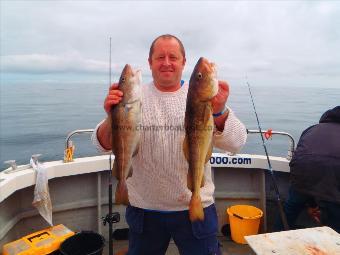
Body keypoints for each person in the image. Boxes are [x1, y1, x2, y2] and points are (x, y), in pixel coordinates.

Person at [92, 34, 247, 255]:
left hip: (194, 206)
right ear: (150, 62)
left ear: (184, 62)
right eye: (160, 57)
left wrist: (220, 112)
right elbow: (101, 145)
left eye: (173, 57)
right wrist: (112, 117)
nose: (166, 63)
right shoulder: (133, 96)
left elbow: (237, 142)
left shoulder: (204, 99)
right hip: (144, 209)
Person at [275, 106, 340, 233]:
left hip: (301, 172)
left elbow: (303, 160)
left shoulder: (311, 129)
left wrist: (312, 204)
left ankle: (275, 238)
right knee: (335, 213)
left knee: (291, 208)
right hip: (333, 178)